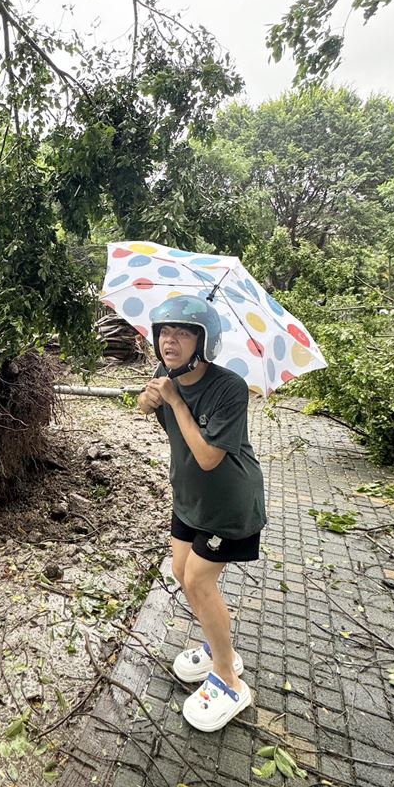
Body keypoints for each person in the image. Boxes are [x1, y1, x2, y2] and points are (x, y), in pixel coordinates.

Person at [137, 294, 266, 732]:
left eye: (184, 332)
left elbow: (210, 457)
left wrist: (173, 401)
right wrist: (150, 399)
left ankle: (230, 679)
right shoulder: (165, 374)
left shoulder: (229, 388)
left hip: (228, 503)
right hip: (189, 498)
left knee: (198, 579)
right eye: (164, 332)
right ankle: (218, 648)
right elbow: (147, 411)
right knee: (179, 569)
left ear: (203, 341)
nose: (170, 340)